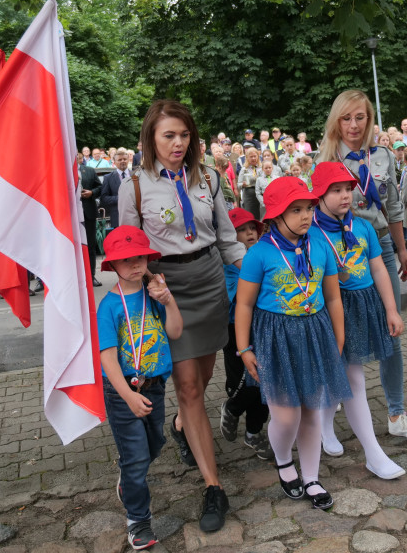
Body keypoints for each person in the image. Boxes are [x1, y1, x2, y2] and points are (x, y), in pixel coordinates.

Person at [119, 100, 245, 532]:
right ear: (151, 138)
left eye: (184, 135)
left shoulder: (208, 177)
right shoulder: (134, 186)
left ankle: (180, 426)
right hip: (166, 287)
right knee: (189, 386)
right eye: (168, 135)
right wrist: (137, 293)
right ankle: (214, 486)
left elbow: (227, 237)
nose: (177, 143)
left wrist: (256, 272)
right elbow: (127, 248)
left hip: (210, 280)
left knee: (204, 375)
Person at [317, 90, 407, 443]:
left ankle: (397, 413)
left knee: (392, 326)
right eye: (346, 118)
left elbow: (392, 205)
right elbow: (316, 215)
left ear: (369, 119)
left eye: (360, 117)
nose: (353, 125)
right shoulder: (326, 159)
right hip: (341, 249)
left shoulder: (382, 155)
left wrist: (402, 249)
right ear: (337, 120)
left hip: (380, 244)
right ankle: (331, 406)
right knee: (340, 330)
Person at [234, 177, 349, 509]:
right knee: (287, 417)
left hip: (315, 334)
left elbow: (333, 296)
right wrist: (244, 347)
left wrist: (338, 337)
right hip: (275, 338)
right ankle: (284, 459)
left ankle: (312, 477)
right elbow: (243, 304)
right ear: (274, 215)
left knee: (312, 410)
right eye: (296, 210)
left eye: (309, 208)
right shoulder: (260, 253)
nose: (306, 216)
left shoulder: (320, 244)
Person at [311, 163, 406, 480]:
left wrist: (391, 309)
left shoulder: (363, 227)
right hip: (329, 311)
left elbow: (379, 269)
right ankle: (371, 452)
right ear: (319, 195)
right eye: (335, 190)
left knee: (348, 376)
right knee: (346, 379)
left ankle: (337, 432)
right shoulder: (310, 233)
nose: (344, 196)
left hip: (362, 306)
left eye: (348, 189)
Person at [97, 226, 182, 551]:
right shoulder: (108, 307)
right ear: (113, 266)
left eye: (140, 258)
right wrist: (127, 395)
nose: (135, 265)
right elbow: (107, 358)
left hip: (155, 387)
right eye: (126, 260)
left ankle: (128, 482)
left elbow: (175, 332)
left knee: (155, 445)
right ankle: (138, 519)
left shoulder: (155, 296)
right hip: (123, 393)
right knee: (135, 459)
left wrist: (169, 300)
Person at [218, 209, 271, 460]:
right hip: (234, 329)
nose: (249, 232)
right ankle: (232, 407)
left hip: (262, 327)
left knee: (264, 383)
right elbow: (237, 297)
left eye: (252, 228)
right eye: (241, 229)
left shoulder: (263, 256)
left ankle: (254, 431)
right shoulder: (230, 265)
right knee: (242, 380)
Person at [79, 162, 103, 287]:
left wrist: (92, 193)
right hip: (69, 215)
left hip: (88, 214)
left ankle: (91, 276)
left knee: (90, 247)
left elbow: (100, 187)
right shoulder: (62, 170)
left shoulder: (89, 170)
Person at [99, 149, 132, 228]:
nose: (122, 161)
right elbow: (104, 198)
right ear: (114, 161)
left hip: (135, 215)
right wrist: (120, 198)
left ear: (128, 160)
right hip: (117, 216)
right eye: (119, 160)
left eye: (124, 159)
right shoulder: (108, 178)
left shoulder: (136, 175)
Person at [238, 147, 261, 217]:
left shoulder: (262, 167)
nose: (253, 158)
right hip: (249, 195)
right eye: (251, 157)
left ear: (258, 156)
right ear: (247, 158)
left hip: (260, 194)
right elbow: (238, 184)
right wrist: (243, 184)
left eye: (255, 156)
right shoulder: (244, 169)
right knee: (250, 215)